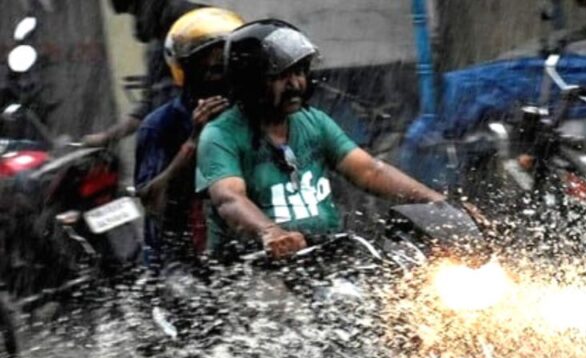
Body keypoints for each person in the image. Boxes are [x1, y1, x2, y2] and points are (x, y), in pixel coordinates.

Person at [196, 19, 447, 259]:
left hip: (326, 255)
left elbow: (370, 171)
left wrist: (436, 203)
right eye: (282, 76)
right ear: (251, 81)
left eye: (299, 72)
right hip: (253, 268)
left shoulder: (314, 121)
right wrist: (270, 232)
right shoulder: (220, 134)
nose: (296, 84)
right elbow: (229, 198)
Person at [134, 7, 244, 267]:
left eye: (226, 67)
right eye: (209, 67)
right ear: (187, 71)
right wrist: (194, 142)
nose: (217, 77)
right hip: (180, 262)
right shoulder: (160, 125)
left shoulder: (253, 115)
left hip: (243, 250)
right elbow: (153, 202)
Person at [83, 0, 204, 147]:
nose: (137, 21)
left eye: (135, 10)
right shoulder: (158, 48)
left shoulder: (187, 27)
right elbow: (147, 106)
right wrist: (108, 137)